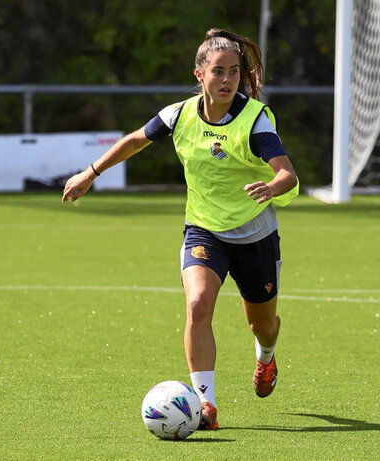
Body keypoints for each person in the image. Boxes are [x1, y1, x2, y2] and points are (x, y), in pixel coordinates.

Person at [62, 28, 299, 430]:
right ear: (199, 74)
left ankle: (266, 356)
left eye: (235, 72)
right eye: (219, 72)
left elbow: (288, 175)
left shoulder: (254, 121)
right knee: (196, 304)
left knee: (263, 324)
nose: (227, 80)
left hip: (254, 235)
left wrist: (271, 186)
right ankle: (206, 405)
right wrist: (91, 172)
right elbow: (137, 140)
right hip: (204, 230)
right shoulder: (179, 114)